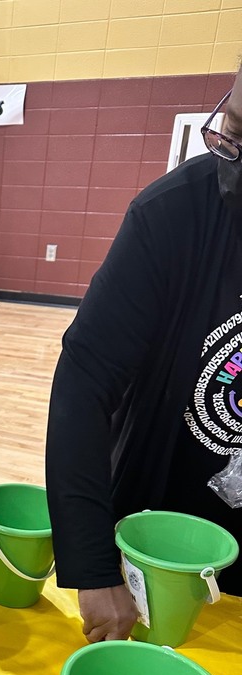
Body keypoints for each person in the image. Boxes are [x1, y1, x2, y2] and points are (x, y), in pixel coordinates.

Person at [45, 69, 242, 644]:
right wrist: (92, 566)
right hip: (156, 543)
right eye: (230, 132)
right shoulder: (173, 214)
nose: (231, 158)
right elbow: (84, 378)